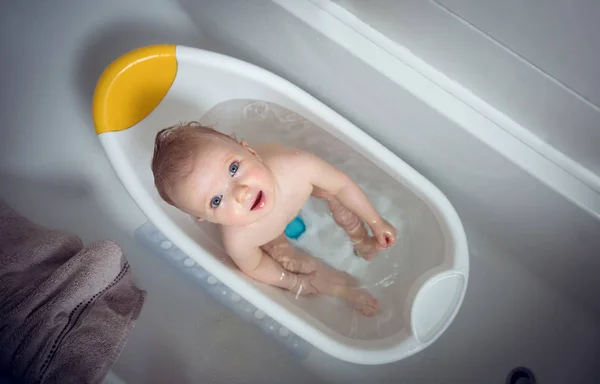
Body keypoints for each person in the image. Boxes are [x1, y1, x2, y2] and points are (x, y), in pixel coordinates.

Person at [151, 122, 397, 316]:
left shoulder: (296, 167)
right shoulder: (240, 238)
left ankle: (361, 238)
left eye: (234, 168)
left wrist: (375, 222)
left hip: (303, 193)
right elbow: (255, 266)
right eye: (216, 200)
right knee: (284, 257)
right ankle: (342, 290)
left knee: (332, 193)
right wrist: (289, 281)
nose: (241, 193)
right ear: (203, 218)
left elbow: (342, 185)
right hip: (271, 235)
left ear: (250, 151)